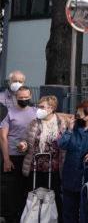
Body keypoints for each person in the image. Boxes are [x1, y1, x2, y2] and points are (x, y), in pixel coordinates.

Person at [22, 95, 69, 221]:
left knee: (54, 196)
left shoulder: (61, 123)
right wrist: (23, 145)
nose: (39, 109)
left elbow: (65, 142)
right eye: (38, 106)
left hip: (54, 167)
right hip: (35, 166)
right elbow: (27, 141)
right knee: (34, 195)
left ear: (51, 108)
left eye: (42, 107)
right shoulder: (34, 122)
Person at [1, 85, 37, 223]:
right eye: (21, 97)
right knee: (12, 190)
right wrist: (6, 159)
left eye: (26, 97)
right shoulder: (9, 113)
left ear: (30, 96)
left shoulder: (35, 111)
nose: (24, 99)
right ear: (16, 98)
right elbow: (3, 137)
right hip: (13, 157)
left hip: (29, 157)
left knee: (27, 188)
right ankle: (11, 217)